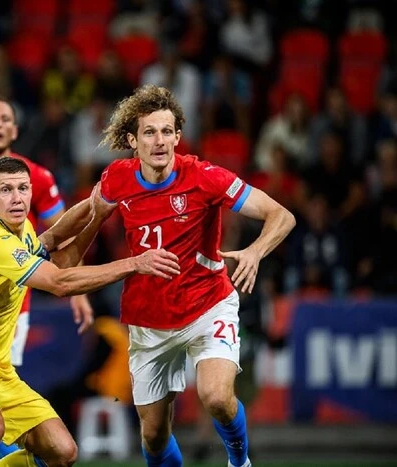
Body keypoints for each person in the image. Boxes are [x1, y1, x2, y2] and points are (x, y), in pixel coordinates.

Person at [0, 156, 181, 467]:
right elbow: (59, 283)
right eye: (5, 190)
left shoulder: (20, 229)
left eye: (23, 188)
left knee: (61, 452)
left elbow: (59, 252)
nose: (17, 198)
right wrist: (136, 262)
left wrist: (98, 206)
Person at [97, 84, 295, 467]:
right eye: (149, 132)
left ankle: (240, 461)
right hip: (149, 317)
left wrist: (255, 251)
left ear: (178, 136)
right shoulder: (116, 179)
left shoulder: (205, 177)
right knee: (154, 436)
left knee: (217, 397)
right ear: (132, 140)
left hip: (208, 305)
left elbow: (281, 215)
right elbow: (88, 216)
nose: (160, 140)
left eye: (167, 131)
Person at [0, 94, 93, 370]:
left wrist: (78, 291)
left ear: (15, 130)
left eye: (5, 119)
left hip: (10, 306)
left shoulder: (35, 177)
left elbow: (64, 233)